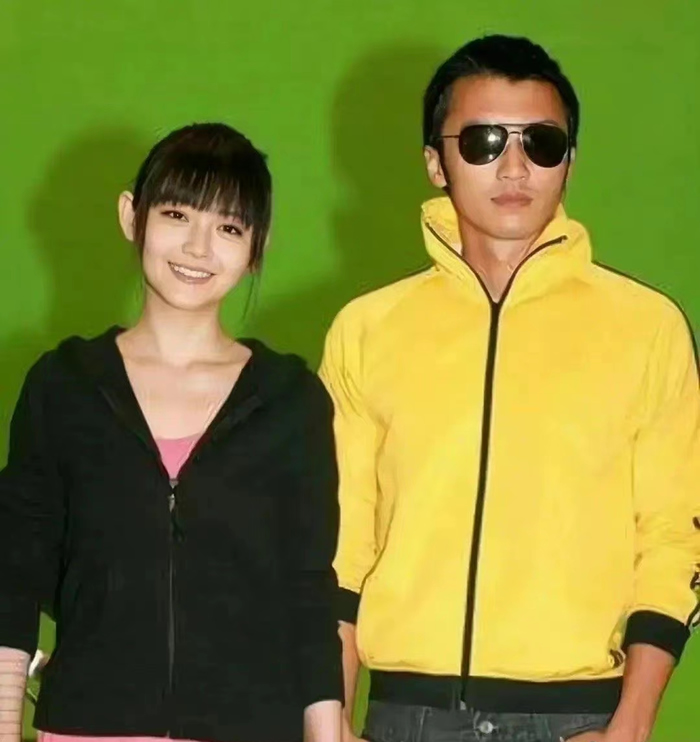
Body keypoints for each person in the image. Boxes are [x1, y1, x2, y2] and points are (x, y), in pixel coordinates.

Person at [319, 35, 700, 742]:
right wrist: (332, 716)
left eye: (542, 143)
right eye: (484, 141)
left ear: (570, 161)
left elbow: (675, 537)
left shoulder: (648, 329)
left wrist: (631, 726)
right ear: (435, 162)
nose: (515, 166)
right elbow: (339, 539)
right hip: (407, 716)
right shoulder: (367, 329)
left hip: (577, 718)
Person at [0, 122, 342, 742]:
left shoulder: (290, 400)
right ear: (131, 216)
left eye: (229, 228)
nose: (198, 247)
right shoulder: (63, 386)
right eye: (178, 214)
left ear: (257, 246)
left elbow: (309, 592)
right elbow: (13, 573)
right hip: (88, 726)